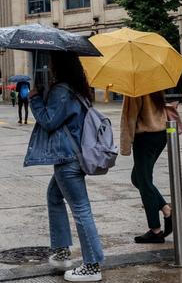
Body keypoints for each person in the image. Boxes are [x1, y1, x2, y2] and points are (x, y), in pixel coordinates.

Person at [24, 53, 105, 282]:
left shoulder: (62, 90)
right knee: (53, 197)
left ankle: (92, 266)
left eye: (52, 61)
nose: (48, 64)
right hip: (72, 156)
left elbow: (49, 121)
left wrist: (35, 99)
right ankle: (61, 251)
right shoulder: (78, 88)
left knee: (81, 209)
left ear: (59, 64)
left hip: (68, 158)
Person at [120, 91, 173, 244]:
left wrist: (125, 146)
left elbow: (129, 117)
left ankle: (155, 230)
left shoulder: (134, 89)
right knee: (137, 178)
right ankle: (165, 209)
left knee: (144, 182)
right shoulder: (153, 84)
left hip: (145, 138)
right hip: (160, 134)